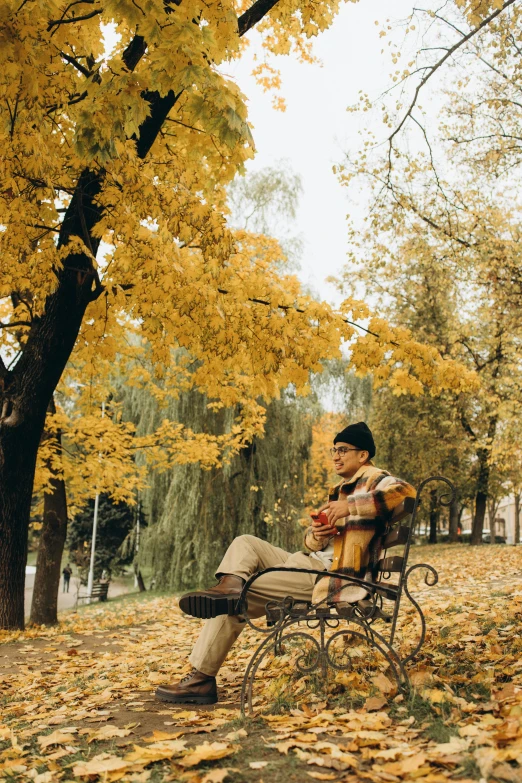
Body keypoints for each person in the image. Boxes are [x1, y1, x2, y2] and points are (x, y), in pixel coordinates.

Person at [155, 422, 415, 705]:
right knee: (245, 544)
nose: (336, 456)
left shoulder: (377, 480)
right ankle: (230, 585)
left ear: (363, 455)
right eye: (334, 450)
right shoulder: (341, 489)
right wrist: (316, 535)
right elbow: (313, 544)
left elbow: (406, 492)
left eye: (342, 450)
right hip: (307, 563)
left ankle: (201, 679)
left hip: (331, 578)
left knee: (238, 596)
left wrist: (350, 507)